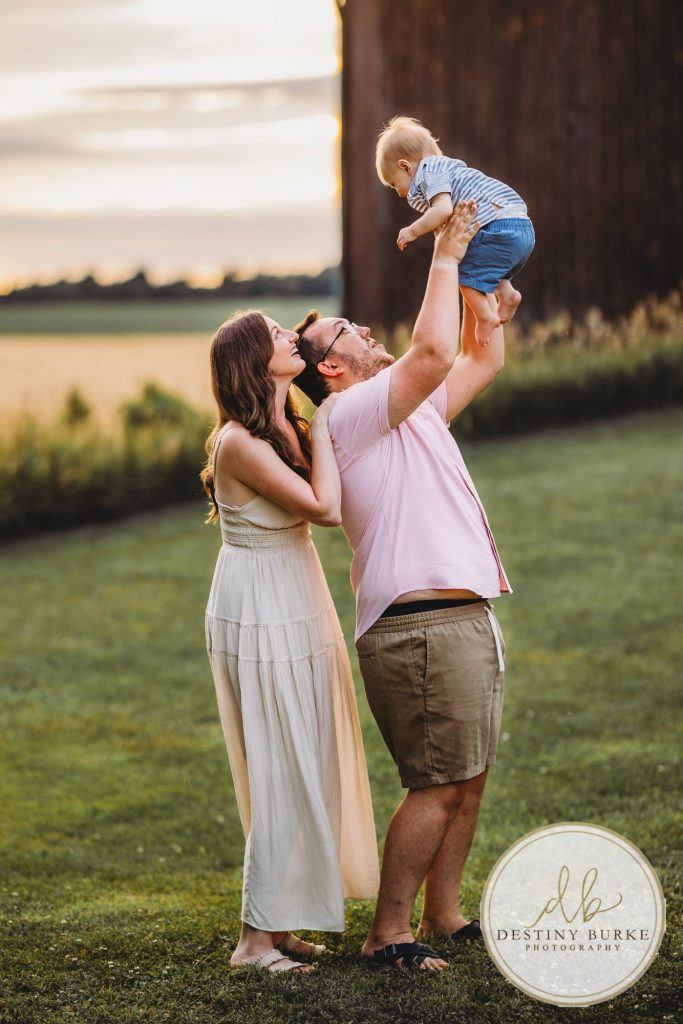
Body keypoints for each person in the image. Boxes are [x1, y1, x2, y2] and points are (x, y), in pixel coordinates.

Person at [293, 200, 510, 971]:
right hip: (417, 627)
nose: (371, 335)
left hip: (456, 616)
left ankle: (444, 914)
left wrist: (486, 312)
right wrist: (444, 256)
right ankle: (389, 935)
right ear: (332, 368)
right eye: (355, 333)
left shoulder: (403, 413)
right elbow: (428, 352)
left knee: (468, 778)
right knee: (435, 784)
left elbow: (474, 361)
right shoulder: (348, 414)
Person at [201, 311, 379, 974]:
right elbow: (325, 508)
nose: (288, 337)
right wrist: (330, 422)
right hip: (259, 604)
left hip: (297, 592)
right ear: (252, 361)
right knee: (278, 760)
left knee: (308, 749)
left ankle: (280, 925)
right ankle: (253, 942)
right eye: (275, 333)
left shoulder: (283, 426)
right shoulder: (238, 443)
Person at [376, 115, 535, 345]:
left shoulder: (429, 171)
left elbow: (442, 209)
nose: (398, 192)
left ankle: (485, 318)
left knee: (462, 274)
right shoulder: (448, 169)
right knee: (479, 262)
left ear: (405, 166)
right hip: (522, 229)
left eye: (394, 183)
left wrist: (413, 230)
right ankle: (507, 293)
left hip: (498, 227)